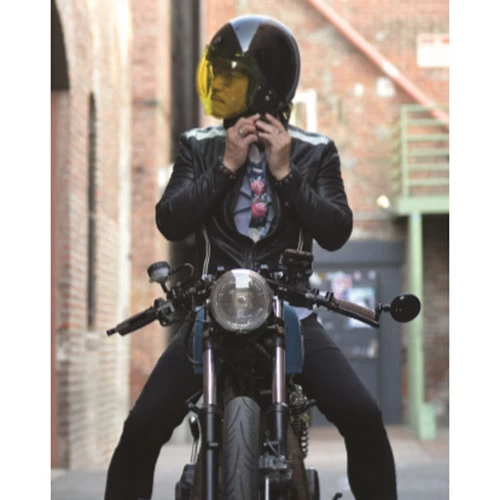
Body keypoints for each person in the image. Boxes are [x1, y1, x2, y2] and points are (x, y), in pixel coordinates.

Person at [104, 15, 398, 500]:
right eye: (216, 75)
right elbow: (170, 220)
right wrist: (225, 166)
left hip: (291, 309)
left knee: (363, 416)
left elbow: (336, 230)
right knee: (141, 429)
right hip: (213, 306)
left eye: (231, 76)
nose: (219, 86)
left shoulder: (316, 151)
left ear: (265, 85)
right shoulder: (198, 146)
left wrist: (285, 174)